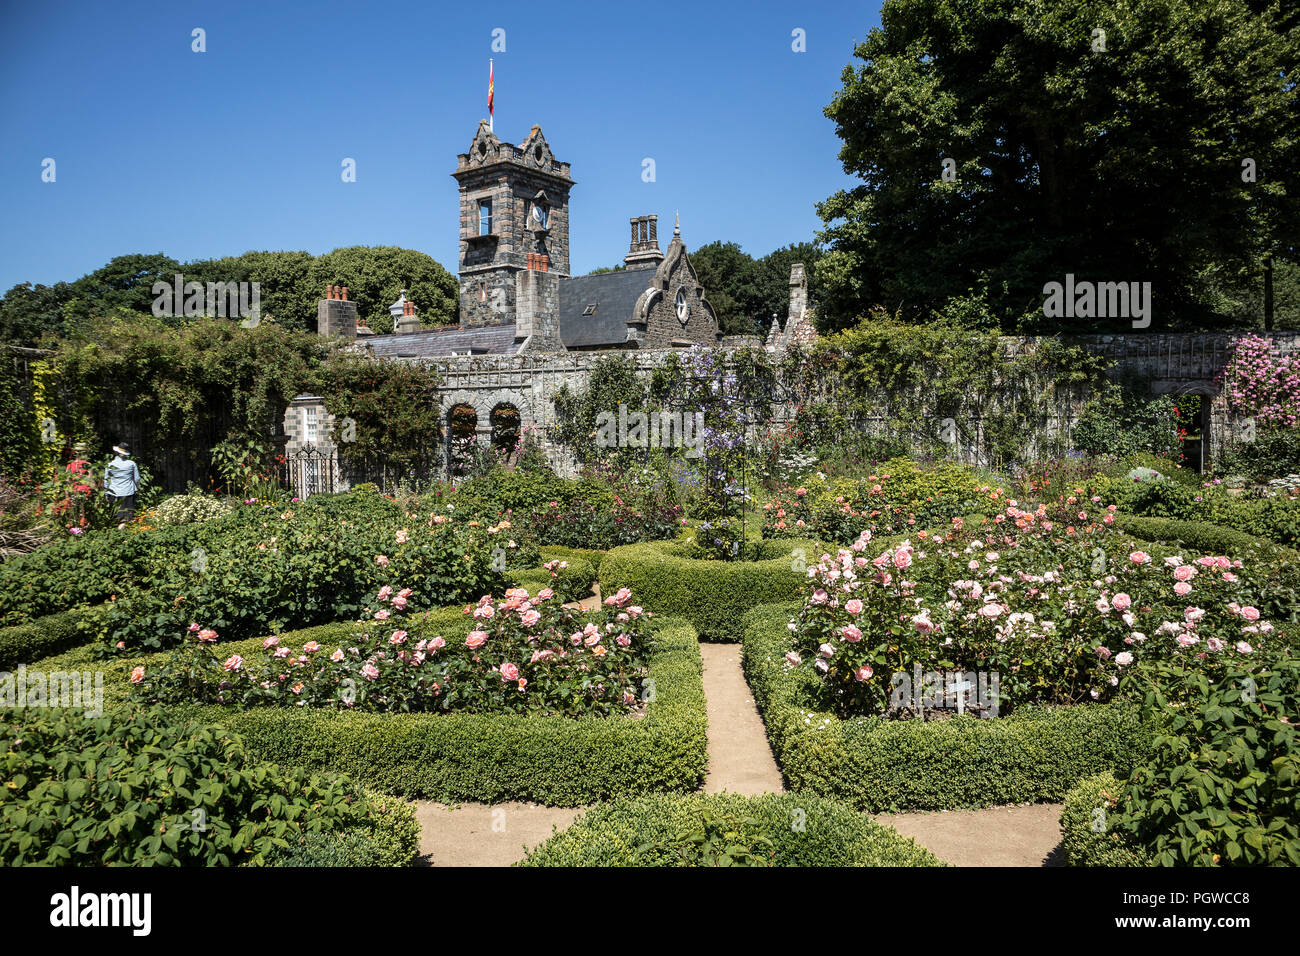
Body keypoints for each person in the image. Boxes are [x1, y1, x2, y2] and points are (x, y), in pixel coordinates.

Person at [104, 443, 140, 527]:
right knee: (128, 516)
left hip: (114, 492)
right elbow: (137, 478)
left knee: (115, 516)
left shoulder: (110, 465)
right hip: (128, 491)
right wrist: (137, 488)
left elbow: (106, 480)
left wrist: (106, 493)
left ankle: (117, 533)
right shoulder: (131, 464)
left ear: (116, 452)